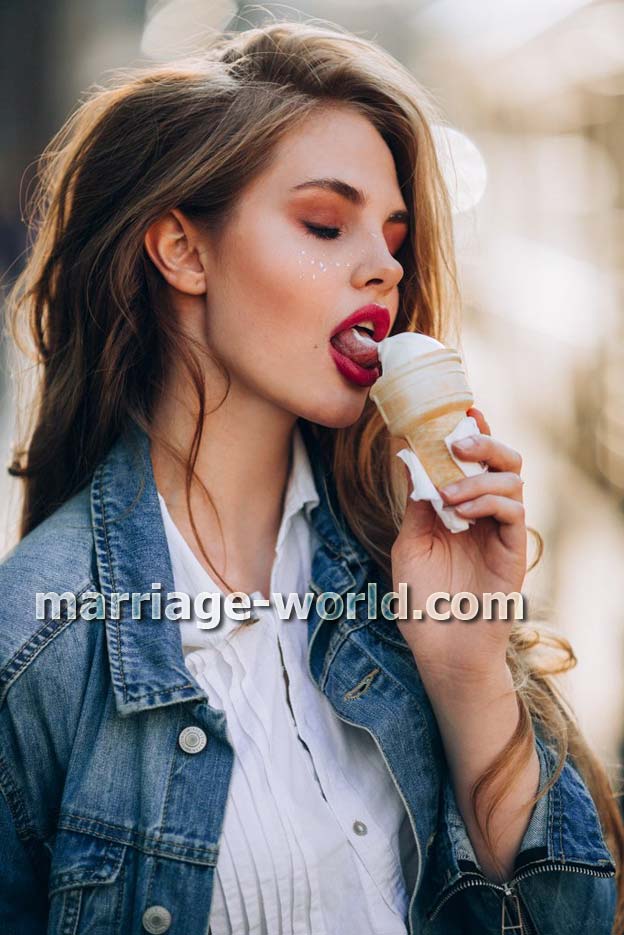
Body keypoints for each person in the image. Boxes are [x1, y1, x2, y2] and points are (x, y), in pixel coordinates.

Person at [0, 19, 621, 935]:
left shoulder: (406, 563)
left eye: (394, 236)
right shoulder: (36, 641)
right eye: (326, 223)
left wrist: (468, 670)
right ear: (183, 250)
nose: (383, 268)